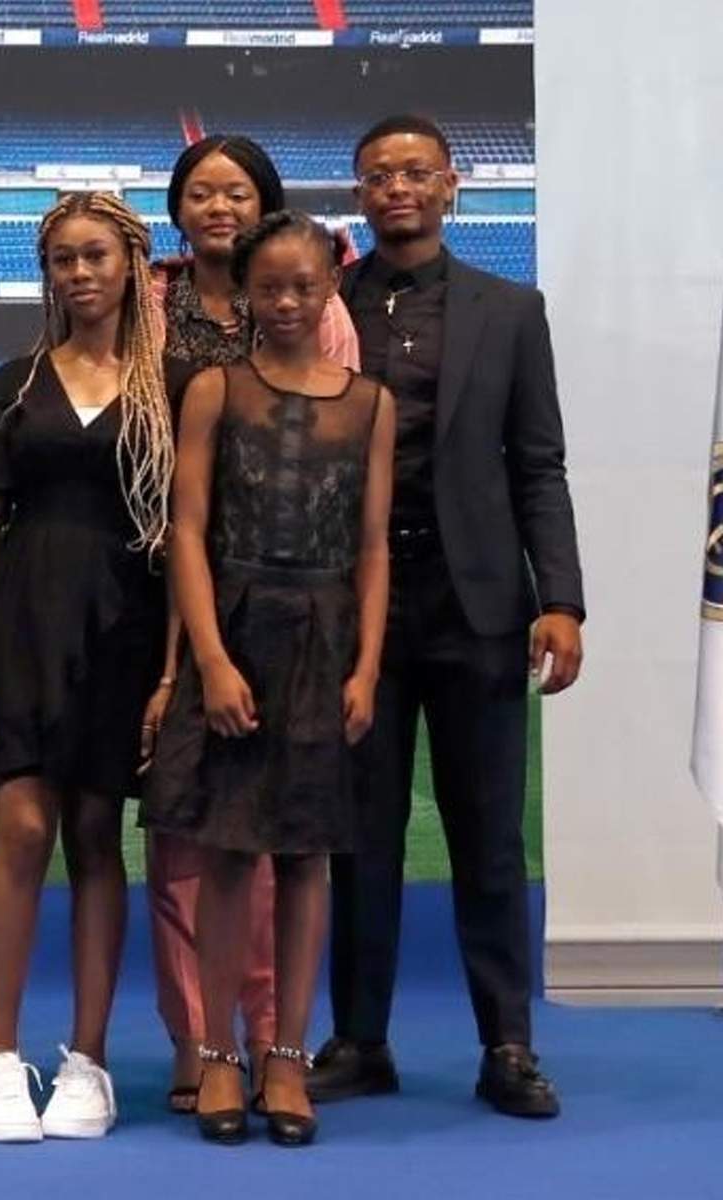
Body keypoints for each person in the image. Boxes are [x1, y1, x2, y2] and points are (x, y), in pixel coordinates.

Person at [310, 115, 584, 1119]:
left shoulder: (510, 311)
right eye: (377, 173)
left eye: (415, 171)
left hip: (477, 605)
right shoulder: (321, 304)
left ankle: (506, 1044)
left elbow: (537, 464)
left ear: (451, 186)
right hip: (354, 612)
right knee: (358, 835)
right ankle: (358, 1039)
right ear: (356, 190)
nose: (396, 188)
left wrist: (558, 597)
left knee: (487, 836)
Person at [142, 210, 394, 1148]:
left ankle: (286, 1053)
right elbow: (189, 530)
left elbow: (371, 547)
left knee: (305, 856)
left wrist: (367, 667)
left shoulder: (370, 402)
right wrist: (208, 657)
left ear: (331, 287)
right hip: (236, 633)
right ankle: (218, 1055)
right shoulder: (214, 389)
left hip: (325, 639)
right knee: (227, 851)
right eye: (270, 286)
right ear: (245, 292)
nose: (286, 301)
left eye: (305, 285)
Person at [0, 193, 175, 1143]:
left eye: (94, 256)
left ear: (131, 262)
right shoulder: (12, 384)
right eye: (62, 260)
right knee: (22, 826)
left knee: (94, 835)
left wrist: (170, 677)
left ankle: (87, 1061)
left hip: (125, 629)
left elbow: (189, 539)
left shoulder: (175, 386)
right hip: (21, 626)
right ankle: (0, 1061)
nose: (78, 274)